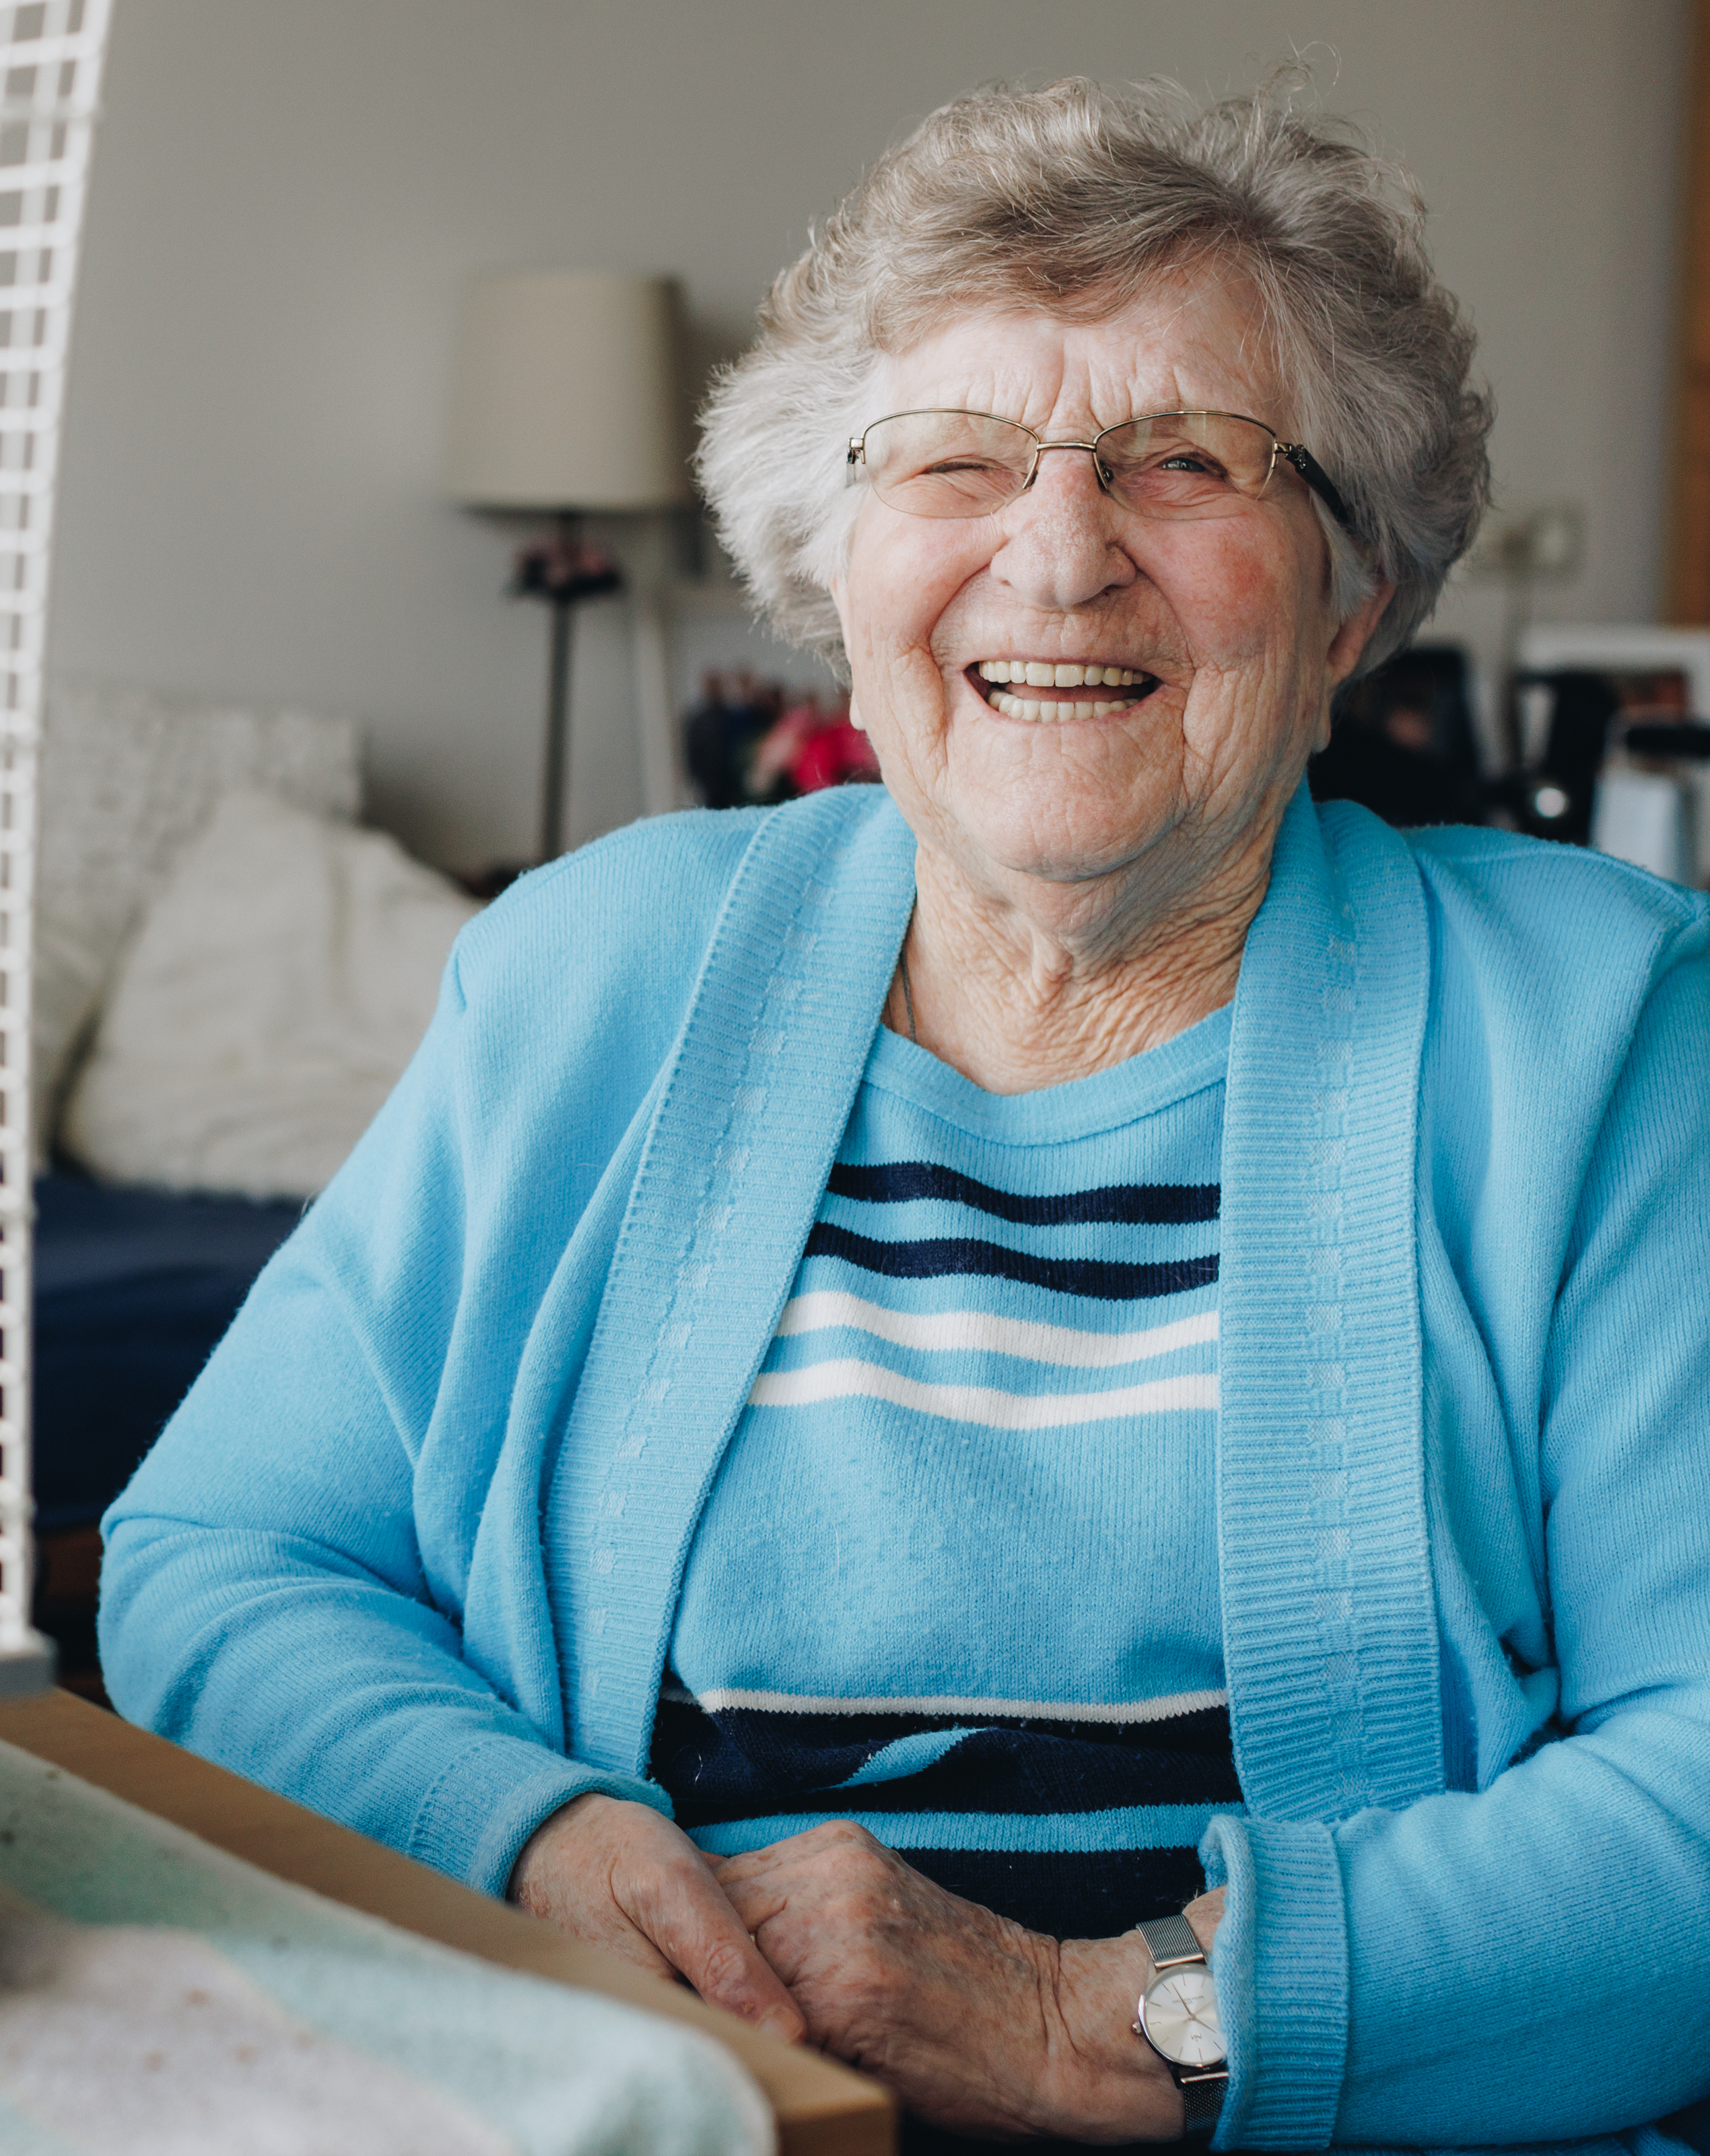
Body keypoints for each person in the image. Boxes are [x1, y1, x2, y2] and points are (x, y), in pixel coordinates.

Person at [98, 75, 1710, 2151]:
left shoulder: (1598, 1032)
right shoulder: (595, 971)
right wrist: (530, 1832)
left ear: (1353, 606)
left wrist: (1108, 2022)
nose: (1058, 551)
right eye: (955, 460)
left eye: (1183, 460)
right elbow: (224, 1552)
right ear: (836, 569)